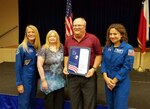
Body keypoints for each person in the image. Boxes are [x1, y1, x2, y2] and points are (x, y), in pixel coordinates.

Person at [63, 17, 102, 109]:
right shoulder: (68, 39)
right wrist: (65, 66)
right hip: (72, 76)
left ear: (84, 27)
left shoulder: (93, 39)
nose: (76, 27)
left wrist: (94, 68)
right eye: (75, 25)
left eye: (79, 25)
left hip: (88, 75)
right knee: (74, 103)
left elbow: (99, 55)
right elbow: (66, 55)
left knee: (89, 103)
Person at [101, 23, 134, 109]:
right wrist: (105, 78)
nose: (112, 36)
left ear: (121, 34)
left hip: (121, 82)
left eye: (115, 34)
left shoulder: (129, 48)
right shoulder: (107, 47)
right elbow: (103, 62)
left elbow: (127, 67)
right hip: (108, 81)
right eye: (110, 34)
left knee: (120, 106)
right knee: (110, 105)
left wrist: (114, 81)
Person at [37, 30, 65, 109]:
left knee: (59, 104)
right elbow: (39, 65)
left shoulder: (61, 47)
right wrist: (43, 81)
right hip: (48, 81)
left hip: (60, 81)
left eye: (54, 36)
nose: (52, 38)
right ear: (47, 38)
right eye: (50, 36)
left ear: (57, 37)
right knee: (49, 104)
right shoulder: (44, 49)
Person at [15, 25, 41, 109]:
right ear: (26, 34)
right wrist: (19, 83)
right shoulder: (22, 48)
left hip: (34, 79)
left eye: (33, 32)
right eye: (28, 32)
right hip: (25, 79)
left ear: (36, 33)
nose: (31, 34)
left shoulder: (37, 47)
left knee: (32, 102)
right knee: (24, 104)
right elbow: (18, 67)